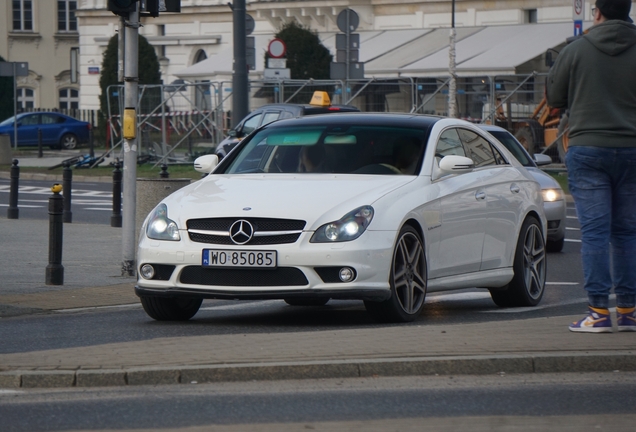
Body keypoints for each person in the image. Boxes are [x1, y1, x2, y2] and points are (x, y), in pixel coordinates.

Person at [547, 0, 636, 333]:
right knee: (627, 233)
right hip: (632, 149)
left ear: (596, 12)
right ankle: (628, 311)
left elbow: (554, 98)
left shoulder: (576, 49)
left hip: (588, 148)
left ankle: (598, 313)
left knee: (595, 235)